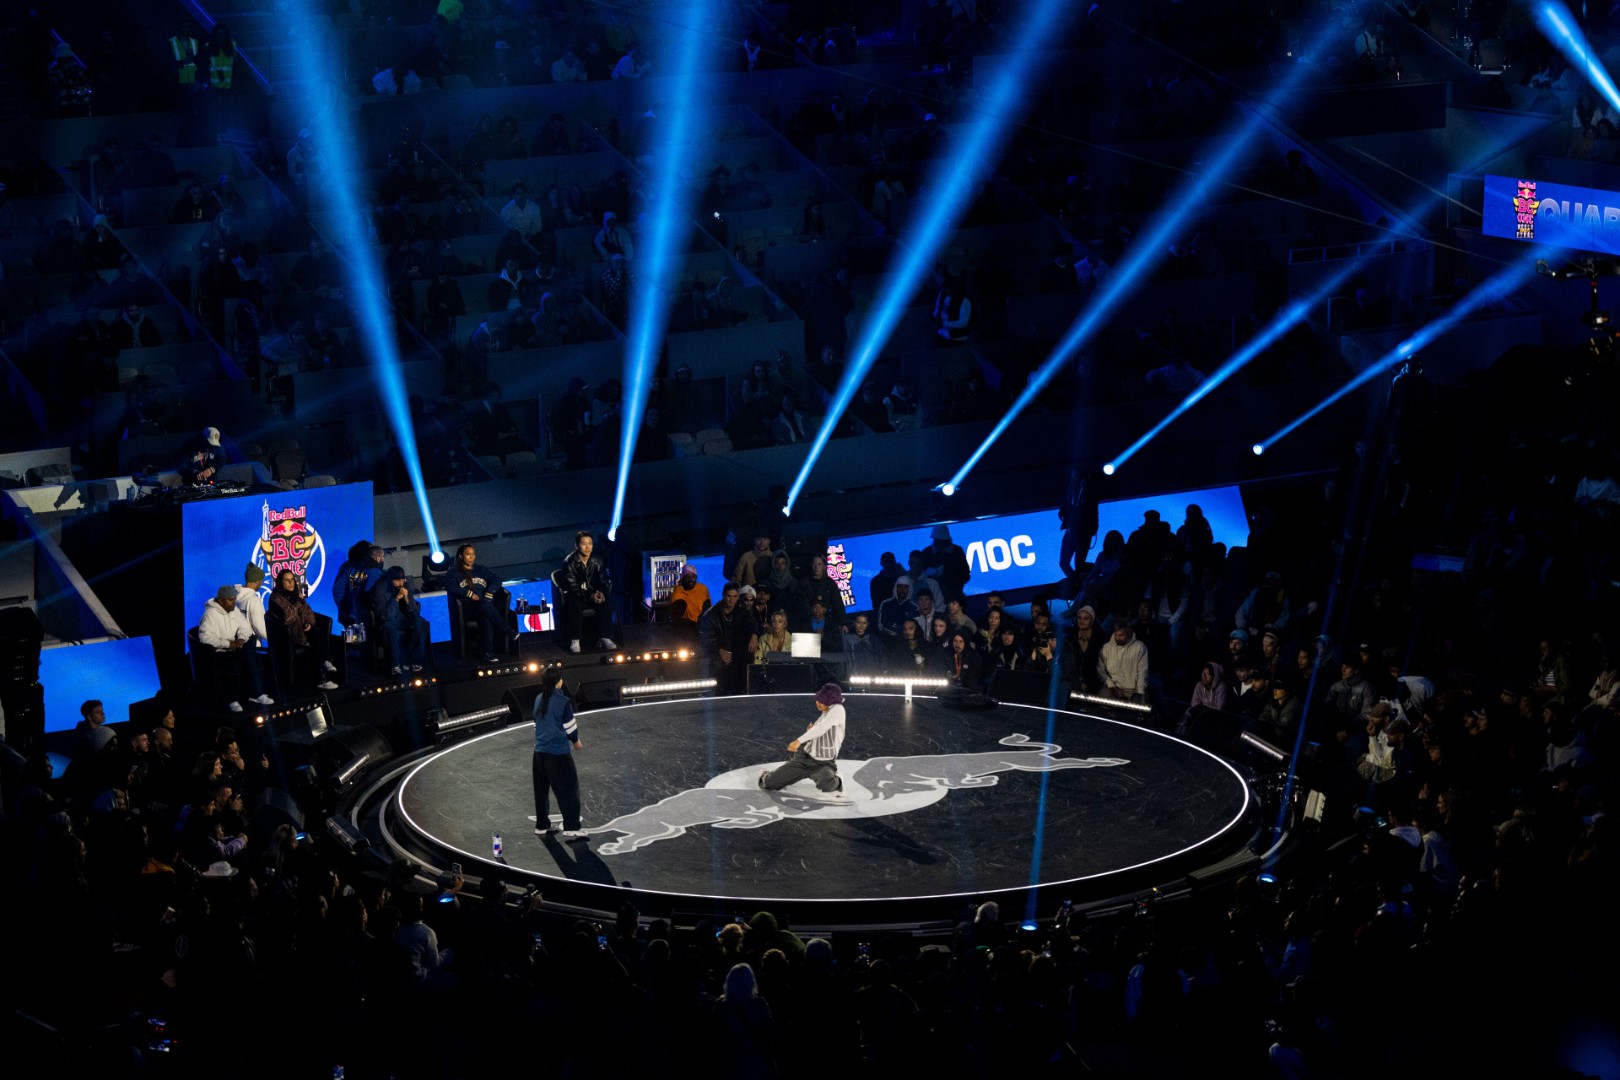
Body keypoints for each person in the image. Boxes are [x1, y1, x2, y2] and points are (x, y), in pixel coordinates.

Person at [531, 669, 588, 841]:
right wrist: (575, 741)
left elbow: (536, 724)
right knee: (569, 790)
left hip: (539, 754)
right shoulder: (563, 701)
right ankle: (572, 827)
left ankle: (542, 825)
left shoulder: (538, 699)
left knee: (541, 791)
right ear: (559, 682)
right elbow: (570, 726)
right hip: (557, 755)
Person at [198, 586, 274, 712]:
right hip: (219, 651)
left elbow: (246, 628)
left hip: (236, 648)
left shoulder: (234, 610)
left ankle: (256, 694)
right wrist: (228, 644)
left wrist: (241, 638)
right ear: (221, 600)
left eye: (234, 599)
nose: (234, 602)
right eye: (230, 600)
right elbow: (205, 637)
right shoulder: (210, 614)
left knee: (252, 659)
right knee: (232, 664)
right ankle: (231, 700)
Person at [760, 683, 846, 793]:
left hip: (824, 763)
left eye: (823, 701)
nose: (818, 703)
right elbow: (820, 730)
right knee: (768, 783)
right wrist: (810, 733)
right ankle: (770, 775)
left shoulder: (838, 709)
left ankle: (837, 779)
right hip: (804, 758)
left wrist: (798, 741)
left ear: (832, 701)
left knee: (827, 785)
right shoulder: (826, 711)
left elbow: (821, 728)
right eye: (818, 700)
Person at [267, 569, 339, 689]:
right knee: (315, 639)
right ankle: (321, 676)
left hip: (301, 630)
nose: (291, 583)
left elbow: (308, 612)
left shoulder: (296, 595)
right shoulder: (276, 599)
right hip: (287, 635)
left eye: (292, 580)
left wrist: (309, 623)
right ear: (280, 582)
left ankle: (324, 666)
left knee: (316, 632)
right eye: (287, 580)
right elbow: (288, 618)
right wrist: (297, 601)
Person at [558, 531, 616, 654]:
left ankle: (605, 637)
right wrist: (590, 595)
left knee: (606, 603)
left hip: (593, 594)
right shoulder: (569, 562)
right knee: (575, 605)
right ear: (576, 545)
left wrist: (600, 592)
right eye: (583, 544)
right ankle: (575, 640)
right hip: (576, 595)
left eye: (590, 543)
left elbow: (603, 580)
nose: (587, 547)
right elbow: (572, 586)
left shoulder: (597, 560)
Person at [451, 544, 507, 662]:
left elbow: (497, 580)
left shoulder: (481, 569)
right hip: (467, 608)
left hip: (484, 606)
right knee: (486, 604)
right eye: (468, 554)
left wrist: (490, 592)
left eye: (473, 554)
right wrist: (469, 594)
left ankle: (488, 653)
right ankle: (506, 629)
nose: (471, 557)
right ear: (461, 556)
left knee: (486, 616)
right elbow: (451, 587)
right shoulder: (454, 572)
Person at [370, 565, 430, 674]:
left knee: (420, 622)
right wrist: (396, 598)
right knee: (389, 626)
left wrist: (406, 600)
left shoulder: (406, 586)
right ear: (390, 580)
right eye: (397, 580)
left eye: (402, 579)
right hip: (387, 621)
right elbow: (385, 615)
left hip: (402, 620)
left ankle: (413, 661)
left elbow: (414, 613)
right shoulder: (379, 590)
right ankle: (395, 665)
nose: (401, 583)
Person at [702, 583, 758, 695]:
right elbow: (707, 637)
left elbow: (753, 624)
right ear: (723, 595)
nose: (731, 600)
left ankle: (743, 691)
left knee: (747, 658)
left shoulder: (743, 611)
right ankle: (719, 693)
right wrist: (719, 650)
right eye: (729, 596)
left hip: (737, 650)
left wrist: (754, 635)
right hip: (719, 650)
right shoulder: (712, 614)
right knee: (718, 665)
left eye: (734, 596)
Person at [1098, 618, 1148, 703]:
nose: (1118, 638)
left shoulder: (1139, 647)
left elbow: (1142, 671)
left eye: (1121, 635)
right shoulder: (1106, 648)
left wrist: (1140, 692)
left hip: (1133, 690)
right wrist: (1111, 686)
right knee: (1102, 698)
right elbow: (1101, 670)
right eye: (1116, 635)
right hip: (1112, 688)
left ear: (1129, 633)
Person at [667, 563, 711, 630]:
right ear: (683, 578)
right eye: (688, 577)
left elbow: (709, 609)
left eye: (693, 577)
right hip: (687, 629)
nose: (691, 579)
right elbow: (676, 620)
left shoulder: (702, 588)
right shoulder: (677, 594)